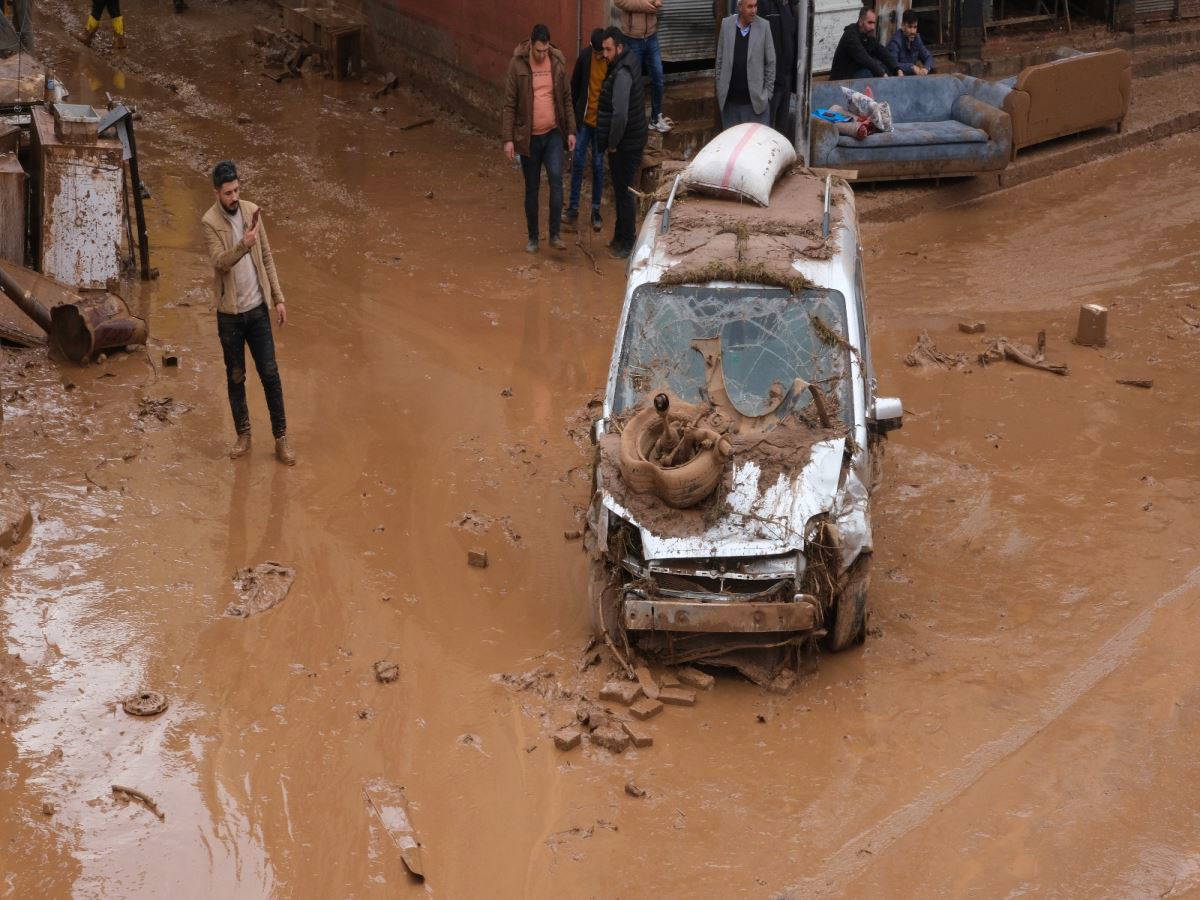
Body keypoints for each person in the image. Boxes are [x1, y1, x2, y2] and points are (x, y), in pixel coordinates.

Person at [201, 161, 295, 466]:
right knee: (235, 376)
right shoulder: (209, 222)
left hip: (256, 310)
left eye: (237, 190)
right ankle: (244, 434)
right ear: (217, 192)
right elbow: (219, 262)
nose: (234, 197)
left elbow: (266, 257)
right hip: (229, 314)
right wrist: (243, 243)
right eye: (228, 192)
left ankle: (281, 439)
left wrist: (278, 299)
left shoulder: (251, 211)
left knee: (270, 374)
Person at [502, 24, 576, 253]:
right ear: (531, 45)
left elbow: (566, 99)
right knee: (532, 188)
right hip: (529, 138)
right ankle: (533, 237)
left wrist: (572, 131)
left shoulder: (557, 63)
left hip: (553, 134)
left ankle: (554, 235)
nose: (542, 55)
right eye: (538, 51)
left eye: (545, 51)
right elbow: (509, 104)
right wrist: (508, 139)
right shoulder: (517, 65)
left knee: (556, 180)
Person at [596, 27, 647, 260]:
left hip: (626, 143)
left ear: (619, 47)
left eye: (608, 49)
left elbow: (620, 115)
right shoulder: (627, 61)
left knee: (624, 192)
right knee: (620, 191)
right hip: (631, 138)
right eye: (603, 49)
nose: (604, 54)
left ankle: (628, 243)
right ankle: (620, 237)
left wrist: (613, 143)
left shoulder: (623, 72)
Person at [565, 29, 608, 233]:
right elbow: (574, 88)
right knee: (578, 162)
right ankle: (573, 208)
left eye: (603, 52)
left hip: (600, 125)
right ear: (592, 48)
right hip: (584, 122)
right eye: (599, 52)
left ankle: (596, 211)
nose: (602, 56)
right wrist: (572, 121)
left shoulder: (611, 61)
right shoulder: (584, 57)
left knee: (598, 166)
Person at [715, 0, 776, 130]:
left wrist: (767, 95)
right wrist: (720, 88)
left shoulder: (764, 26)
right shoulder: (726, 25)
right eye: (749, 7)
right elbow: (719, 59)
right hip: (730, 105)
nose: (754, 10)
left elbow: (771, 62)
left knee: (757, 145)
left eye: (755, 6)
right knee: (733, 146)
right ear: (740, 7)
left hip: (756, 105)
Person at [614, 0, 672, 133]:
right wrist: (644, 6)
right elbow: (619, 2)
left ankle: (655, 119)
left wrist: (657, 2)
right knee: (632, 82)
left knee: (658, 78)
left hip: (651, 36)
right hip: (632, 38)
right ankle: (632, 123)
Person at [829, 7, 903, 80]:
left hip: (856, 74)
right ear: (861, 22)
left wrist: (897, 68)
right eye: (870, 23)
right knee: (870, 73)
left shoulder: (867, 35)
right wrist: (882, 74)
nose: (873, 27)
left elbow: (882, 52)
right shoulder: (850, 36)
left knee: (886, 67)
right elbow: (864, 58)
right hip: (841, 80)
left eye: (874, 23)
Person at [757, 0, 796, 133]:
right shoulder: (763, 5)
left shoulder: (790, 6)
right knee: (767, 125)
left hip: (787, 76)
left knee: (782, 125)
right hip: (771, 78)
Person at [887, 10, 936, 76]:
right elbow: (892, 63)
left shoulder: (917, 39)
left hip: (911, 79)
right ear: (903, 26)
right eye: (910, 27)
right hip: (897, 80)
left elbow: (928, 57)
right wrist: (911, 67)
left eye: (915, 27)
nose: (913, 31)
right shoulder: (895, 42)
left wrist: (926, 69)